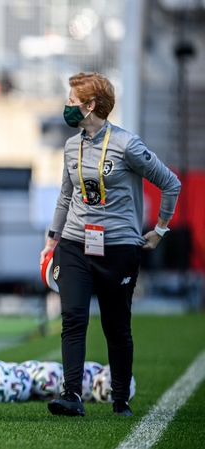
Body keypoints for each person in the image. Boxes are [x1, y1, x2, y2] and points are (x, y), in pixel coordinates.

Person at [42, 72, 181, 418]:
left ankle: (121, 399)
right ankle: (71, 394)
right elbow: (65, 195)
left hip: (118, 247)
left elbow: (171, 183)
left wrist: (160, 229)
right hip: (74, 243)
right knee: (73, 317)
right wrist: (51, 239)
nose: (67, 107)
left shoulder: (127, 144)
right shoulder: (71, 145)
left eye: (73, 102)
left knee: (116, 325)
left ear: (90, 106)